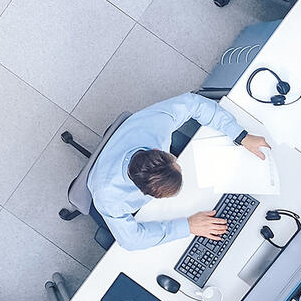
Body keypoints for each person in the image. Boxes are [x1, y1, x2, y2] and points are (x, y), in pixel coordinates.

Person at [86, 93, 270, 250]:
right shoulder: (109, 199)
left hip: (131, 138)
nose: (179, 164)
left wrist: (241, 135)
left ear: (158, 151)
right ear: (143, 193)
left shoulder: (155, 126)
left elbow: (194, 103)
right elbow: (131, 241)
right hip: (104, 187)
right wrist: (188, 226)